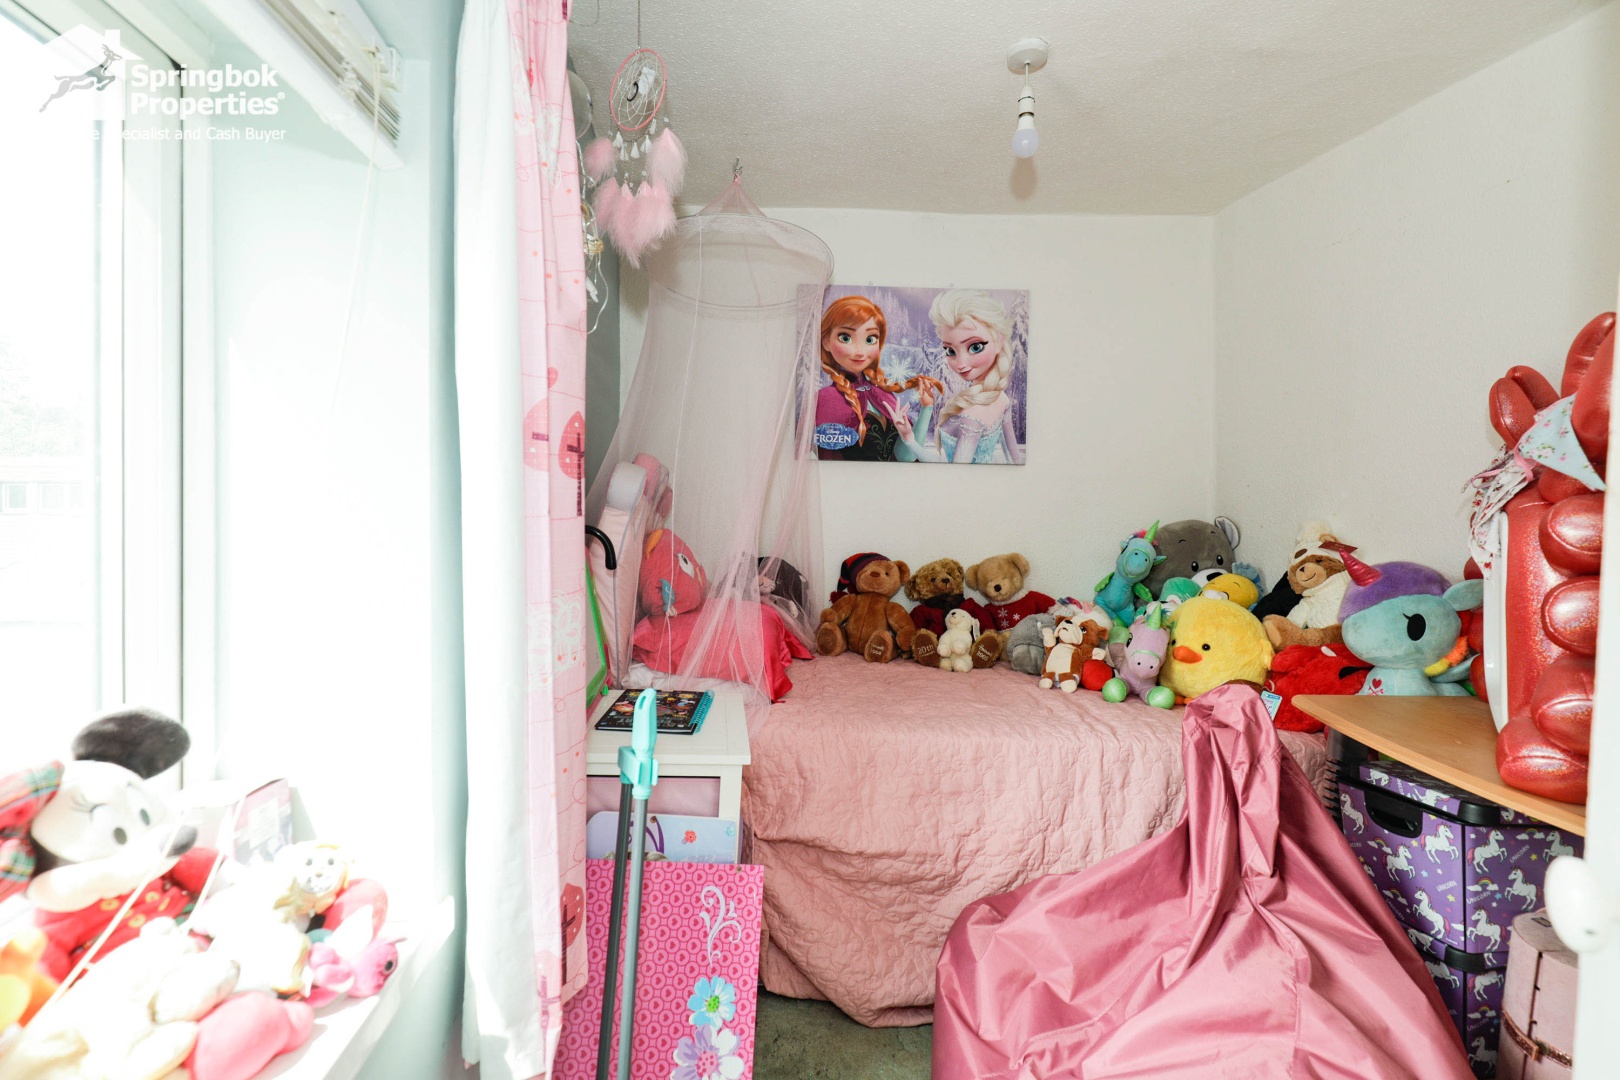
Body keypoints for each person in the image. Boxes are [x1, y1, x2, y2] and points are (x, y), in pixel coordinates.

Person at [894, 290, 1024, 465]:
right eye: (950, 351)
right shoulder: (1002, 399)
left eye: (975, 347)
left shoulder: (971, 416)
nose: (961, 364)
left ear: (999, 342)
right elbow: (1015, 458)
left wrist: (909, 439)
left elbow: (954, 470)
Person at [813, 295, 942, 461]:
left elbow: (906, 457)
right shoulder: (826, 398)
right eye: (846, 338)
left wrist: (926, 408)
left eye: (870, 339)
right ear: (825, 342)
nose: (860, 351)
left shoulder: (882, 393)